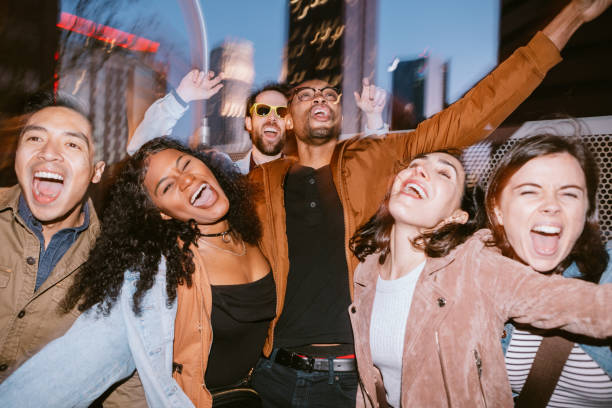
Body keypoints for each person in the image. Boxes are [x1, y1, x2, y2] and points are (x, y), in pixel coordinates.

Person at [249, 1, 611, 405]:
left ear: (338, 108)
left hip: (351, 380)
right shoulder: (259, 182)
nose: (320, 97)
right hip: (273, 375)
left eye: (329, 92)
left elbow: (473, 113)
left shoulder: (381, 155)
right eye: (304, 93)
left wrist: (571, 17)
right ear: (286, 116)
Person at [0, 137, 276, 408]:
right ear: (163, 213)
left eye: (186, 164)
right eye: (167, 186)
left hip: (256, 394)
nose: (187, 180)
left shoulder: (254, 230)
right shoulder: (158, 274)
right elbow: (78, 361)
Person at [348, 149, 612, 407]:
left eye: (443, 173)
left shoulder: (473, 266)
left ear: (456, 216)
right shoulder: (367, 274)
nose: (419, 170)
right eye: (415, 164)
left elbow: (591, 306)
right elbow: (371, 385)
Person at [0, 93, 146, 406]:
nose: (48, 154)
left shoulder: (116, 263)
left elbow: (126, 386)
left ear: (96, 170)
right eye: (35, 138)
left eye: (72, 144)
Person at [484, 135, 612, 406]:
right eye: (530, 191)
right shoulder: (476, 275)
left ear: (586, 209)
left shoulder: (607, 271)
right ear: (498, 210)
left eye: (569, 193)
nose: (552, 205)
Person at [127, 71, 388, 173]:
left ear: (289, 124)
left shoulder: (308, 175)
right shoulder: (227, 172)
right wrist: (181, 97)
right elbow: (139, 151)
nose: (273, 117)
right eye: (263, 110)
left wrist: (374, 116)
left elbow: (371, 169)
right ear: (249, 123)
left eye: (281, 112)